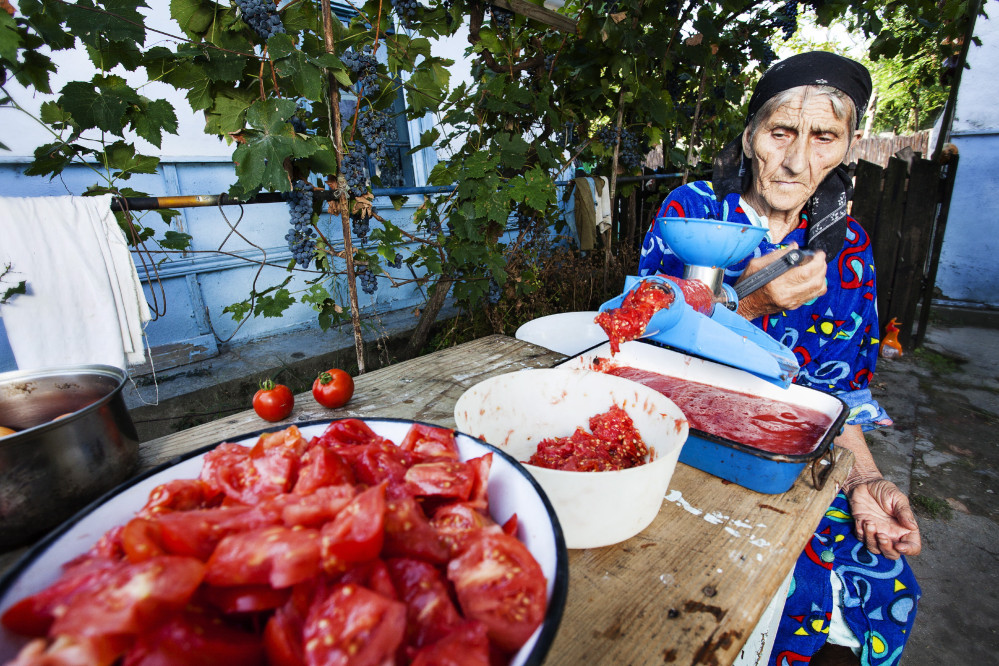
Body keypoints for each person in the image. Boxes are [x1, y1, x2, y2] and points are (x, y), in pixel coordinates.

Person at [639, 51, 921, 666]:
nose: (796, 162)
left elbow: (840, 392)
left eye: (824, 137)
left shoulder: (849, 249)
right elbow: (639, 345)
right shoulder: (692, 213)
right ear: (750, 137)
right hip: (684, 447)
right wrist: (750, 300)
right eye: (781, 133)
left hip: (791, 457)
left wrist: (867, 482)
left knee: (880, 582)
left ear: (847, 148)